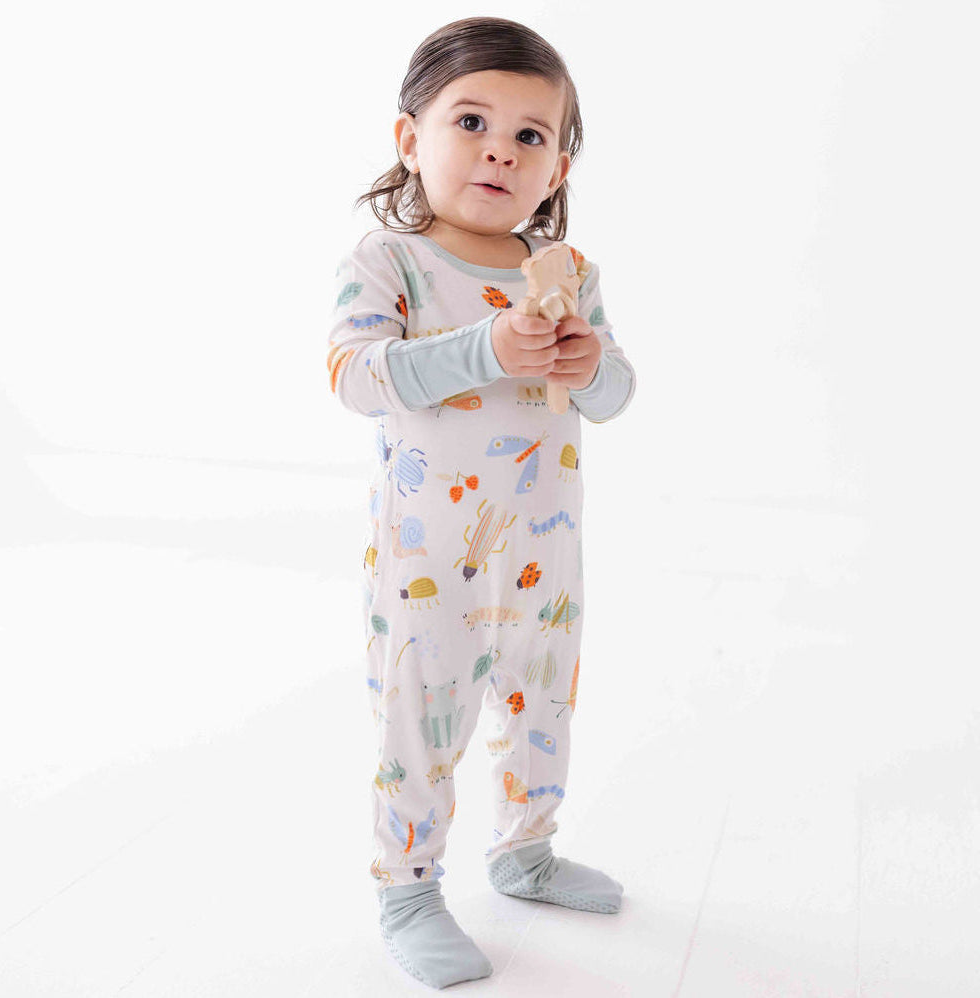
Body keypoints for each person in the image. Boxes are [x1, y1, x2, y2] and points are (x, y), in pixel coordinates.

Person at [326, 16, 636, 990]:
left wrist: (588, 365)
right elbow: (355, 375)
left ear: (557, 168)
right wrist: (485, 350)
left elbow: (615, 395)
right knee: (421, 719)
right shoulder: (392, 262)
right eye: (471, 121)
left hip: (543, 554)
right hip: (430, 562)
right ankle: (408, 886)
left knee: (542, 701)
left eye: (529, 134)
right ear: (410, 138)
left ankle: (525, 848)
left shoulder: (570, 276)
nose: (500, 148)